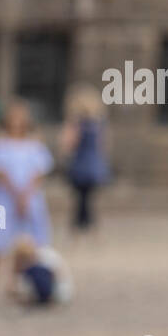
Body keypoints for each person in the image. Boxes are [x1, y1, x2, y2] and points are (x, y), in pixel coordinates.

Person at [0, 99, 54, 303]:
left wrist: (25, 195)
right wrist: (15, 193)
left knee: (28, 244)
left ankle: (17, 283)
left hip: (29, 201)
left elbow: (39, 172)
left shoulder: (34, 144)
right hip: (3, 203)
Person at [58, 83, 111, 235]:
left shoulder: (77, 124)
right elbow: (103, 145)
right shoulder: (98, 124)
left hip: (81, 165)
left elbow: (68, 144)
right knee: (87, 199)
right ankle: (88, 226)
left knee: (81, 198)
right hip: (92, 165)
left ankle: (80, 227)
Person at [10, 234, 74, 305]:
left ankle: (44, 297)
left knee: (36, 271)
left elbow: (60, 274)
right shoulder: (39, 255)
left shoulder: (44, 256)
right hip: (54, 288)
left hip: (59, 291)